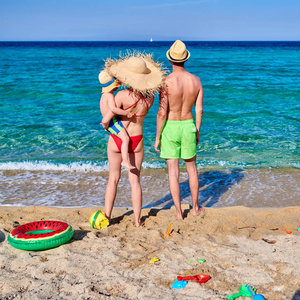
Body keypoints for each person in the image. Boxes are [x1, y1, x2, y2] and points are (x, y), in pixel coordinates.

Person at [103, 54, 164, 227]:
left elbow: (111, 113)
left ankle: (107, 217)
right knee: (135, 181)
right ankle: (137, 220)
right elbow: (152, 88)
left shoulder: (121, 95)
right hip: (137, 140)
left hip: (117, 139)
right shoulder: (149, 98)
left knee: (113, 178)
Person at [154, 40, 204, 220]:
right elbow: (199, 110)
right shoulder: (196, 81)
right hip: (188, 125)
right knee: (192, 169)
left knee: (173, 172)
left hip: (171, 126)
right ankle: (196, 208)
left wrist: (158, 136)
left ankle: (178, 212)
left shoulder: (165, 82)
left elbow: (161, 112)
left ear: (170, 60)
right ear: (185, 59)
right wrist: (196, 130)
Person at [99, 70, 135, 170]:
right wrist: (126, 113)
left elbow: (104, 113)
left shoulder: (103, 96)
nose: (117, 87)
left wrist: (106, 126)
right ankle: (125, 161)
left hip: (109, 123)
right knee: (126, 139)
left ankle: (125, 161)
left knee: (124, 139)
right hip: (114, 122)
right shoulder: (110, 96)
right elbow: (113, 109)